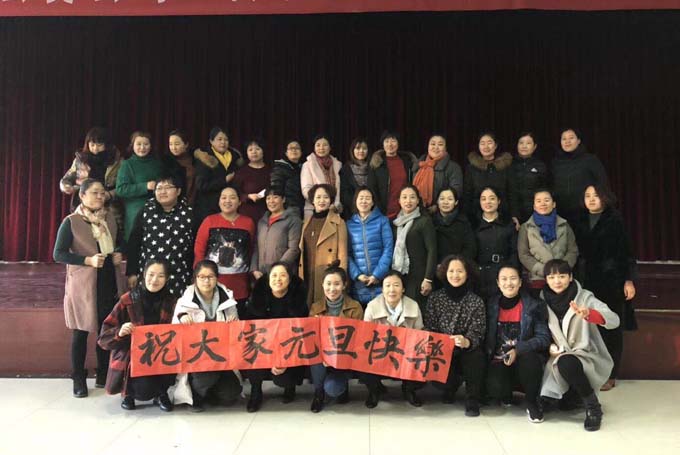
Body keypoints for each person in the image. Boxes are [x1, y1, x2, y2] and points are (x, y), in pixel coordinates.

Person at [53, 179, 125, 397]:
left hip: (108, 279)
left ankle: (103, 373)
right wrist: (87, 260)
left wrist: (118, 253)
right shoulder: (71, 221)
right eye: (95, 193)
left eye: (102, 193)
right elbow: (58, 254)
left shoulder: (109, 218)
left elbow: (117, 243)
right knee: (81, 331)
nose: (100, 197)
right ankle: (78, 378)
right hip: (83, 283)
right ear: (82, 196)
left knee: (106, 328)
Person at [540, 259, 620, 431]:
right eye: (552, 277)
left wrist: (591, 314)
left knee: (567, 362)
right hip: (555, 355)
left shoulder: (585, 297)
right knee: (562, 401)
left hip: (585, 354)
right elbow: (539, 331)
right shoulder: (541, 300)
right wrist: (549, 346)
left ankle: (593, 408)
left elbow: (614, 320)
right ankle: (566, 397)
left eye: (562, 276)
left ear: (570, 277)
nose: (557, 281)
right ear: (546, 280)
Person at [574, 184, 637, 391]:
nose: (591, 199)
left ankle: (611, 374)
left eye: (596, 195)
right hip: (586, 279)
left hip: (611, 280)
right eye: (587, 196)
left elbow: (626, 252)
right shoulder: (579, 219)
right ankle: (592, 372)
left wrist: (628, 280)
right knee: (589, 328)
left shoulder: (615, 220)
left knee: (611, 328)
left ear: (605, 198)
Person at [97, 259, 177, 412]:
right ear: (144, 275)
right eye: (151, 274)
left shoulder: (172, 301)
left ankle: (162, 393)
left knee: (169, 360)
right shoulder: (127, 299)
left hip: (161, 353)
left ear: (167, 279)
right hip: (133, 355)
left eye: (161, 276)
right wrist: (120, 331)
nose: (154, 280)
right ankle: (129, 394)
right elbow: (103, 338)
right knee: (143, 390)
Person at [170, 260, 241, 412]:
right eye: (202, 277)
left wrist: (233, 323)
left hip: (221, 354)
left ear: (217, 278)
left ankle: (211, 393)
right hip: (197, 355)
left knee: (231, 393)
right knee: (207, 376)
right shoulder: (185, 301)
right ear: (195, 278)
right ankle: (196, 396)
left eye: (211, 277)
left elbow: (237, 331)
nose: (206, 281)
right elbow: (174, 332)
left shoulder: (227, 298)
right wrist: (181, 318)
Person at [485, 265, 550, 423]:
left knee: (530, 359)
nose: (509, 283)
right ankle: (506, 392)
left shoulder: (534, 305)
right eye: (504, 279)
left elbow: (543, 338)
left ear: (520, 282)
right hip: (499, 359)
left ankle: (532, 402)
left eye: (513, 278)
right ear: (498, 283)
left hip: (524, 359)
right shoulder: (490, 305)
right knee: (496, 389)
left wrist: (518, 349)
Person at [424, 255, 486, 416]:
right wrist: (442, 341)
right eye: (451, 271)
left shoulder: (476, 301)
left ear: (467, 273)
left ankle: (472, 399)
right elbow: (429, 327)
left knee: (476, 356)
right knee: (440, 376)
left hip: (465, 348)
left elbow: (478, 331)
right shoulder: (435, 298)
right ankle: (450, 387)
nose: (455, 275)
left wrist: (466, 341)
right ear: (445, 273)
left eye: (460, 271)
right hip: (442, 348)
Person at [244, 262, 309, 412]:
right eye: (274, 275)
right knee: (253, 355)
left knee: (284, 379)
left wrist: (283, 360)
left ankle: (290, 388)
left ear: (289, 279)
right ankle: (255, 392)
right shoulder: (257, 300)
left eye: (282, 275)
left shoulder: (298, 302)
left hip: (288, 348)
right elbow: (250, 332)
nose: (278, 279)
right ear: (268, 279)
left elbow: (300, 335)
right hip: (263, 346)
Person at [362, 270, 425, 408]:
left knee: (423, 357)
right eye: (387, 285)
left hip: (406, 353)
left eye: (396, 285)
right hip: (380, 353)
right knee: (362, 359)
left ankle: (409, 389)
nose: (392, 290)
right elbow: (365, 337)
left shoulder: (413, 306)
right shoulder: (372, 306)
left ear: (403, 289)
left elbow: (420, 334)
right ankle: (375, 390)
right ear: (382, 289)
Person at [125, 174, 195, 296]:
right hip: (149, 277)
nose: (162, 192)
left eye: (167, 187)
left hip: (179, 275)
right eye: (159, 188)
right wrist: (132, 272)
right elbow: (134, 242)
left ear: (178, 191)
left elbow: (195, 247)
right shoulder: (146, 211)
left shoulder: (189, 213)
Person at [308, 266, 364, 413]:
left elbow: (358, 340)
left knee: (333, 388)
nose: (332, 288)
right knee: (315, 355)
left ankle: (342, 386)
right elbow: (312, 338)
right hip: (322, 359)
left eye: (337, 284)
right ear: (322, 285)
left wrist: (335, 356)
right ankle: (318, 393)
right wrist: (326, 355)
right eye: (328, 284)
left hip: (345, 358)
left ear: (344, 285)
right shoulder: (315, 307)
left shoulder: (355, 307)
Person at [194, 186, 256, 317]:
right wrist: (198, 276)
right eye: (224, 197)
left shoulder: (248, 223)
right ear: (218, 201)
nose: (227, 201)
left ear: (239, 202)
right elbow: (199, 249)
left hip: (239, 284)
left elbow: (251, 250)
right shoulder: (209, 221)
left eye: (232, 197)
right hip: (212, 283)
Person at [60, 127, 123, 230]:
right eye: (92, 145)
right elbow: (67, 179)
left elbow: (123, 186)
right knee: (81, 233)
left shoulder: (117, 162)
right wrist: (66, 187)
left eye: (99, 145)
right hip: (84, 204)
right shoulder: (81, 160)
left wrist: (109, 195)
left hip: (107, 205)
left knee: (107, 233)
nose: (95, 148)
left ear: (106, 145)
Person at [517, 189, 578, 295]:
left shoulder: (564, 225)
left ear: (554, 204)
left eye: (546, 200)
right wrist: (545, 270)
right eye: (538, 201)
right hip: (537, 279)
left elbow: (573, 251)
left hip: (562, 279)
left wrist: (561, 269)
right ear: (534, 206)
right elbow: (523, 254)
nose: (543, 204)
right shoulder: (526, 227)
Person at [299, 183, 348, 306]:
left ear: (331, 200)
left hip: (328, 274)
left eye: (326, 197)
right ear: (312, 200)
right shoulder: (306, 222)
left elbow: (343, 255)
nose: (322, 201)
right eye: (318, 197)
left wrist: (341, 278)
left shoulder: (338, 222)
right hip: (308, 271)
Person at [346, 186, 394, 306]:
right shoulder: (349, 224)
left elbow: (388, 249)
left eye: (368, 198)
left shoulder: (382, 221)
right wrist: (357, 275)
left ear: (373, 202)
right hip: (359, 285)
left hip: (380, 282)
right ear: (355, 201)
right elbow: (347, 254)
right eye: (361, 198)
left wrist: (377, 274)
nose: (364, 201)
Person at [391, 185, 437, 309]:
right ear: (399, 201)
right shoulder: (396, 223)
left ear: (417, 200)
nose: (408, 201)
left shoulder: (424, 221)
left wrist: (428, 278)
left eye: (412, 197)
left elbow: (432, 250)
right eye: (404, 197)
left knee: (415, 311)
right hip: (400, 275)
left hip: (418, 277)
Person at [550, 128, 608, 225]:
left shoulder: (590, 159)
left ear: (578, 141)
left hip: (585, 212)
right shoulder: (555, 163)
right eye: (564, 139)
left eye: (571, 138)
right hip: (561, 213)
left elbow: (602, 183)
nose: (567, 141)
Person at [115, 131, 164, 240]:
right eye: (138, 144)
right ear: (132, 146)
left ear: (151, 146)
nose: (142, 147)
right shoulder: (127, 164)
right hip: (135, 212)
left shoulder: (158, 164)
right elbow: (120, 189)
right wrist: (145, 186)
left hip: (157, 209)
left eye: (146, 144)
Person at [473, 186, 518, 301]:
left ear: (499, 201)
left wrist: (510, 273)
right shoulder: (473, 225)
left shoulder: (508, 224)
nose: (487, 202)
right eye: (483, 199)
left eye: (492, 198)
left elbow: (514, 252)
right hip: (479, 275)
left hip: (503, 274)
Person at [193, 127, 244, 223]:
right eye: (219, 139)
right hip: (208, 207)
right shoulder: (205, 158)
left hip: (230, 208)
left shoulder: (236, 157)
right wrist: (224, 181)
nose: (223, 142)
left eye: (226, 140)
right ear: (211, 141)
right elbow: (201, 185)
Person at [251, 187, 302, 279]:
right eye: (268, 198)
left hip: (282, 274)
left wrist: (278, 268)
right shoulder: (262, 222)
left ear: (283, 199)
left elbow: (293, 249)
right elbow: (256, 247)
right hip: (261, 274)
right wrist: (254, 269)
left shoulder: (293, 220)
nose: (271, 201)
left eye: (275, 197)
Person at [463, 132, 513, 224]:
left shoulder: (505, 167)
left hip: (503, 215)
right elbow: (467, 194)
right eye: (482, 143)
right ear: (478, 146)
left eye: (489, 143)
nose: (486, 146)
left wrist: (514, 215)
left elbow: (511, 192)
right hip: (476, 216)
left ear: (495, 145)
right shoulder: (471, 168)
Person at [367, 130, 417, 220]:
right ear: (382, 144)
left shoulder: (407, 161)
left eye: (393, 141)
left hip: (405, 211)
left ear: (398, 143)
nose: (390, 144)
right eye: (386, 141)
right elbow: (372, 188)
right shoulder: (376, 163)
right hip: (383, 213)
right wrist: (379, 209)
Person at [412, 134, 463, 214]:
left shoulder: (453, 167)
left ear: (445, 148)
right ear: (428, 147)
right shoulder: (419, 165)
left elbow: (456, 191)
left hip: (443, 212)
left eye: (440, 144)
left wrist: (438, 206)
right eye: (433, 144)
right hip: (417, 211)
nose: (436, 147)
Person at [508, 132, 548, 225]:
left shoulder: (540, 166)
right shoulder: (510, 165)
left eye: (528, 143)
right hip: (513, 214)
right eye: (521, 143)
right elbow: (509, 192)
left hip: (536, 212)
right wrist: (513, 214)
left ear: (535, 146)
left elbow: (545, 190)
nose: (524, 146)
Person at [300, 134, 342, 217]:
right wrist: (321, 202)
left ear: (330, 148)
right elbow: (306, 189)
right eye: (318, 145)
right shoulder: (308, 165)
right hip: (315, 209)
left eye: (325, 145)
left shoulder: (337, 165)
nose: (321, 148)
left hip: (334, 209)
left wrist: (335, 204)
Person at [432, 187, 477, 266]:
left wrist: (456, 264)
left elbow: (470, 249)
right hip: (436, 267)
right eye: (442, 199)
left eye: (450, 199)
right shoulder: (430, 221)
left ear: (456, 202)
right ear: (437, 201)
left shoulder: (463, 222)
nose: (445, 202)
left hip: (457, 267)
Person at [233, 138, 271, 223]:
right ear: (246, 153)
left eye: (257, 149)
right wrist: (248, 196)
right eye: (250, 150)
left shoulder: (271, 171)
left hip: (267, 213)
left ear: (263, 151)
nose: (254, 152)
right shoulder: (241, 172)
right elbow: (235, 193)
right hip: (247, 213)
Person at [270, 140, 304, 217]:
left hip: (302, 208)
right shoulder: (280, 168)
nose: (294, 150)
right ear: (286, 153)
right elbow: (276, 189)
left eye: (297, 148)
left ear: (301, 152)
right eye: (291, 148)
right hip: (287, 209)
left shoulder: (304, 168)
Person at [161, 129, 196, 204]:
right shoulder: (166, 161)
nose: (173, 148)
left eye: (177, 144)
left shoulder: (195, 158)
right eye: (170, 144)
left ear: (186, 144)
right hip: (174, 204)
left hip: (195, 203)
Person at [340, 137, 371, 220]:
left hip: (371, 210)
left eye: (364, 148)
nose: (361, 151)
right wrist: (358, 206)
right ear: (352, 150)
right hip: (351, 212)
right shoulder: (345, 169)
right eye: (358, 148)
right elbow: (344, 193)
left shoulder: (373, 167)